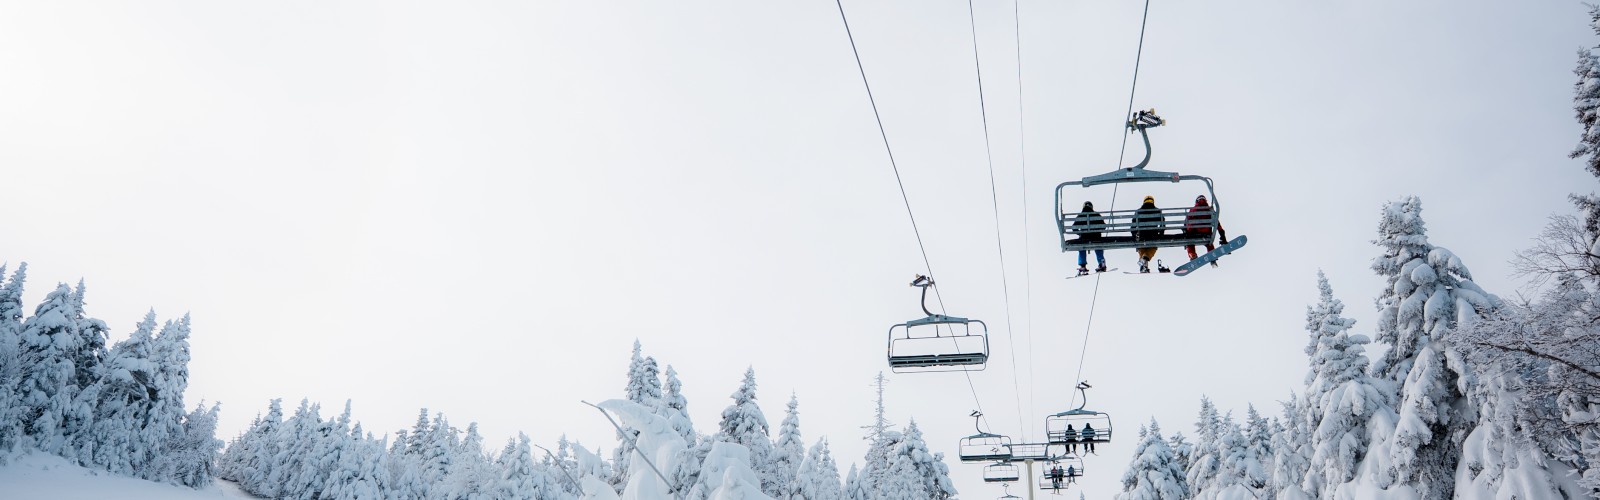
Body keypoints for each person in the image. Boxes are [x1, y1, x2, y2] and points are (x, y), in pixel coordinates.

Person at [1184, 195, 1229, 266]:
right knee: (1209, 243)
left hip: (1194, 233)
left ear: (1196, 201)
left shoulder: (1193, 210)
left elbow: (1187, 222)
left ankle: (1192, 255)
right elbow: (1217, 223)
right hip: (1206, 233)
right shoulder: (1210, 209)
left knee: (1190, 242)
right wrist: (1222, 235)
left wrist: (1187, 231)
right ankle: (1212, 255)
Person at [1133, 196, 1168, 273]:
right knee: (1153, 247)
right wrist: (1161, 234)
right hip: (1153, 234)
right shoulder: (1158, 211)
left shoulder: (1138, 211)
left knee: (1141, 247)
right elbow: (1163, 223)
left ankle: (1144, 265)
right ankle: (1144, 261)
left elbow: (1133, 225)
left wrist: (1134, 235)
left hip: (1142, 235)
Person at [1071, 201, 1108, 274]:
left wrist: (1080, 234)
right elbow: (1103, 226)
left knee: (1081, 247)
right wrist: (1097, 231)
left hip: (1084, 238)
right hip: (1096, 237)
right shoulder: (1096, 215)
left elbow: (1073, 228)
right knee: (1098, 245)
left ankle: (1082, 266)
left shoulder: (1081, 215)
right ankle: (1101, 262)